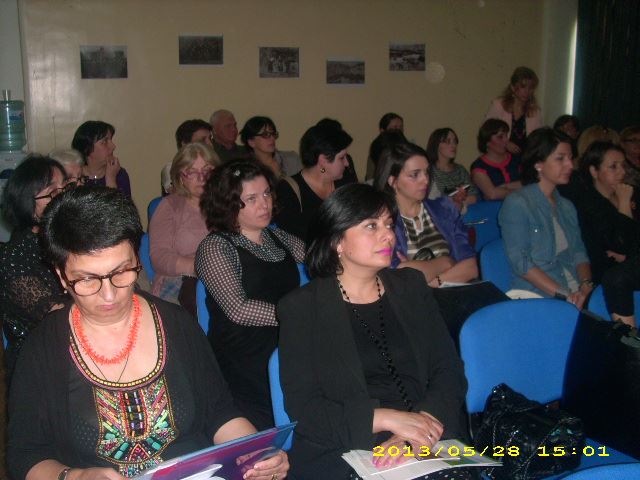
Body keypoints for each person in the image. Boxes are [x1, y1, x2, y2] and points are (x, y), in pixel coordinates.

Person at [8, 186, 289, 479]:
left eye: (121, 272)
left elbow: (220, 413)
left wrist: (258, 453)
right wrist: (74, 476)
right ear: (61, 275)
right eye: (87, 280)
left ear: (136, 259)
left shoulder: (177, 325)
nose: (108, 295)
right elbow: (25, 455)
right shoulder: (43, 348)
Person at [277, 183, 468, 479]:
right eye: (371, 226)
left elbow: (449, 370)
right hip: (347, 445)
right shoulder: (301, 307)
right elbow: (305, 409)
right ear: (337, 241)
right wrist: (386, 419)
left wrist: (420, 427)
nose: (388, 235)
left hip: (427, 434)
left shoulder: (411, 287)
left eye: (389, 224)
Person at [195, 159, 305, 431]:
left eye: (266, 194)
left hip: (288, 344)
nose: (264, 204)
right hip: (243, 359)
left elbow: (320, 260)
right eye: (252, 199)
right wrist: (297, 316)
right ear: (229, 204)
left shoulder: (277, 238)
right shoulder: (215, 247)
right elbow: (239, 309)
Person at [499, 128, 593, 308]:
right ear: (538, 164)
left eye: (570, 157)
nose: (570, 165)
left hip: (574, 290)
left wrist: (586, 287)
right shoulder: (518, 203)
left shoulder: (566, 206)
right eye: (560, 158)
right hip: (538, 293)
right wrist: (566, 295)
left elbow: (579, 253)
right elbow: (521, 263)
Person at [0, 155, 68, 380]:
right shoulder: (13, 258)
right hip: (40, 364)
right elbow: (58, 319)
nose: (64, 197)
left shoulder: (71, 238)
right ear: (28, 204)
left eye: (65, 187)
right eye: (52, 192)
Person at [375, 142, 477, 287]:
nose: (426, 180)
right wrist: (446, 262)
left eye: (427, 172)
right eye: (415, 175)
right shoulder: (383, 222)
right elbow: (396, 277)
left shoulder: (444, 209)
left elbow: (471, 267)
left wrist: (430, 283)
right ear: (393, 181)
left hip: (455, 293)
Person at [149, 143, 220, 315]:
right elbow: (159, 257)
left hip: (223, 279)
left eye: (207, 170)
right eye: (192, 172)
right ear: (180, 177)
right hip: (180, 283)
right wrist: (199, 267)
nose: (201, 177)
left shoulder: (226, 204)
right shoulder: (170, 206)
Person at [574, 141, 640, 326]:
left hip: (631, 267)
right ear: (594, 171)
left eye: (623, 166)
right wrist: (624, 204)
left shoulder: (632, 195)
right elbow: (620, 244)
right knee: (618, 278)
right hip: (607, 273)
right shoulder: (589, 205)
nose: (621, 172)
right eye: (613, 167)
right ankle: (628, 338)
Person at [273, 123, 353, 241]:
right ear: (323, 160)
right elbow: (290, 239)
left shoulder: (345, 182)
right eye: (342, 158)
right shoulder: (288, 190)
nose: (347, 163)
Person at [485, 66, 543, 156]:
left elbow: (538, 140)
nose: (527, 91)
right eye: (523, 87)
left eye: (531, 88)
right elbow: (487, 132)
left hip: (525, 159)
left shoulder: (535, 112)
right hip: (500, 157)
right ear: (513, 87)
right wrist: (505, 143)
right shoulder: (499, 105)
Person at [71, 121, 131, 195]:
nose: (113, 146)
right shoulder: (73, 179)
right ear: (86, 148)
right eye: (104, 142)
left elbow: (120, 202)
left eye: (111, 140)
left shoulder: (119, 174)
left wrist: (111, 179)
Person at [426, 127, 478, 211]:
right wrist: (455, 201)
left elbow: (473, 197)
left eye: (455, 142)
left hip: (463, 214)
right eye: (448, 141)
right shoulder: (429, 171)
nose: (453, 145)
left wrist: (457, 203)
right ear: (436, 145)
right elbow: (430, 201)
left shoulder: (460, 170)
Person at [471, 118, 522, 200]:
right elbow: (492, 194)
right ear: (487, 142)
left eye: (506, 135)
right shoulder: (479, 166)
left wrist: (504, 187)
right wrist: (519, 190)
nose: (506, 140)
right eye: (500, 137)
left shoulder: (516, 159)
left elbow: (528, 182)